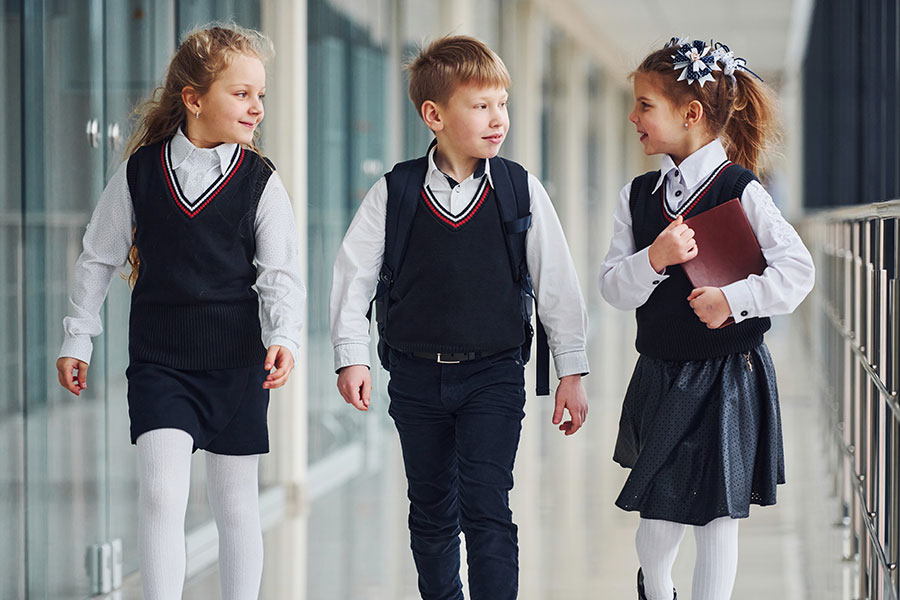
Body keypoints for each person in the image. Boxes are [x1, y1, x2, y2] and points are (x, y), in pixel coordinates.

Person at [330, 35, 589, 600]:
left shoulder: (519, 190)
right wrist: (351, 356)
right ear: (434, 115)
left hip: (494, 374)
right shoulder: (394, 192)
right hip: (416, 378)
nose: (499, 119)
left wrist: (571, 371)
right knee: (430, 510)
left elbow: (557, 287)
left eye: (503, 104)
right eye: (481, 106)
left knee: (487, 504)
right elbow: (354, 280)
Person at [55, 24, 305, 600]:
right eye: (241, 93)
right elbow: (97, 258)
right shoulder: (140, 174)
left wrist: (285, 336)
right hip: (160, 362)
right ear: (194, 99)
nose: (256, 107)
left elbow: (281, 274)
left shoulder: (261, 182)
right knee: (161, 496)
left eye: (260, 95)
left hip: (239, 365)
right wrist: (78, 338)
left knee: (236, 503)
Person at [598, 38, 815, 600]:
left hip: (728, 374)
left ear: (690, 113)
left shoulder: (742, 191)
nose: (633, 116)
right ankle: (658, 586)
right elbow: (613, 289)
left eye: (645, 104)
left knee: (718, 520)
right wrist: (654, 260)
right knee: (656, 529)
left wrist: (733, 299)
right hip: (662, 373)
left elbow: (798, 272)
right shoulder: (637, 197)